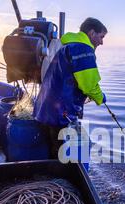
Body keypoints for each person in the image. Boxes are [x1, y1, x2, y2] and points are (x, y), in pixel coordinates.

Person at [34, 17, 108, 159]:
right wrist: (100, 97)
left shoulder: (66, 45)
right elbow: (89, 85)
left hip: (46, 107)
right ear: (92, 33)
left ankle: (51, 173)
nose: (102, 42)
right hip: (61, 112)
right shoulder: (83, 49)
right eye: (101, 37)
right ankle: (58, 178)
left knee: (51, 147)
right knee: (60, 154)